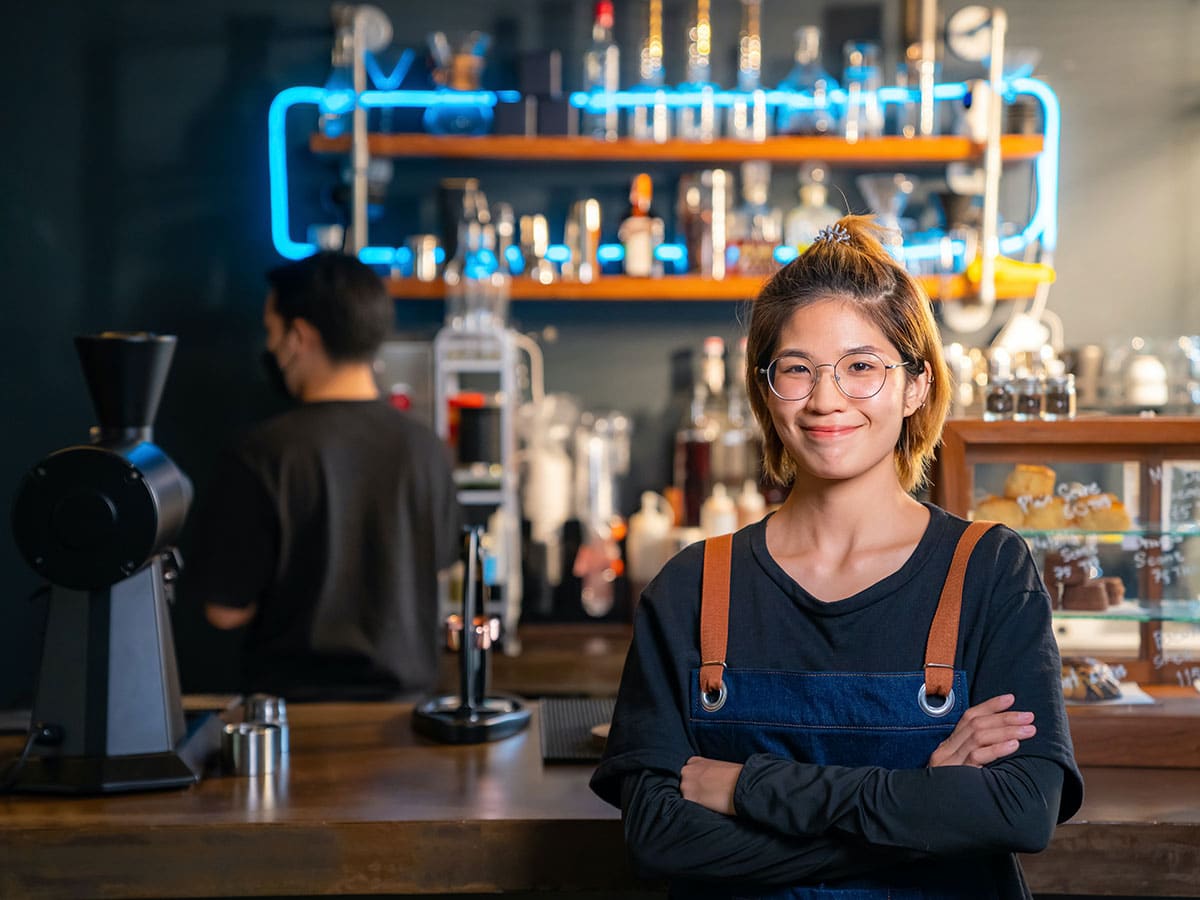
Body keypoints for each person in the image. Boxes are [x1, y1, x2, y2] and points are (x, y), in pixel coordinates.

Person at [591, 216, 1082, 899]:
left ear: (916, 386)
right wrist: (925, 811)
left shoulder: (989, 572)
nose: (826, 399)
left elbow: (1022, 810)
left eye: (861, 368)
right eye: (797, 370)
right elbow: (660, 838)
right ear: (766, 391)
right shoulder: (692, 587)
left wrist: (747, 785)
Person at [188, 251, 461, 700]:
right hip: (407, 719)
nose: (271, 349)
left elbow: (225, 611)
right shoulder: (427, 449)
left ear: (299, 337)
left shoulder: (262, 452)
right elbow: (440, 567)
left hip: (292, 720)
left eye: (272, 333)